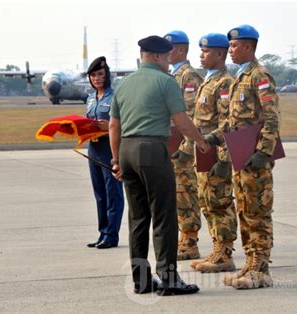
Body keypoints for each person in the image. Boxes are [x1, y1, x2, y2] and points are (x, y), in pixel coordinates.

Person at [109, 35, 209, 296]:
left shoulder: (123, 84)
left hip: (127, 151)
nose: (168, 62)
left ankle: (141, 280)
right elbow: (182, 120)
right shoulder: (166, 82)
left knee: (138, 218)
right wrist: (200, 141)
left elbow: (113, 126)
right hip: (152, 150)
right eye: (166, 57)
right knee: (164, 216)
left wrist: (116, 160)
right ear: (155, 56)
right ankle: (169, 278)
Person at [221, 25, 279, 289]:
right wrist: (212, 138)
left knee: (258, 211)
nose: (230, 51)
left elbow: (271, 117)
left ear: (248, 47)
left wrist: (264, 152)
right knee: (244, 210)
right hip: (240, 156)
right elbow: (234, 120)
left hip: (255, 158)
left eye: (234, 46)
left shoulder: (259, 76)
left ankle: (261, 269)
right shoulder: (239, 77)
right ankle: (250, 263)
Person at [189, 33, 237, 273]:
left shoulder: (225, 83)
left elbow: (228, 122)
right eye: (201, 50)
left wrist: (224, 158)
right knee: (207, 202)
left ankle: (226, 253)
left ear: (220, 54)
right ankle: (217, 248)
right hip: (203, 151)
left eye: (206, 51)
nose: (201, 54)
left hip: (216, 151)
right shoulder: (208, 81)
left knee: (220, 202)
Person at [164, 30, 204, 260]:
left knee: (186, 193)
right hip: (171, 145)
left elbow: (192, 116)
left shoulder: (189, 77)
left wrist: (185, 149)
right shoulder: (170, 75)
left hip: (183, 148)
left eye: (168, 49)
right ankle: (183, 237)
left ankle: (190, 241)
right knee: (177, 194)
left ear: (180, 50)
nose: (164, 54)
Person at [85, 56, 124, 249]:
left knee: (113, 194)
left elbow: (123, 124)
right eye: (93, 75)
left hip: (110, 150)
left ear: (107, 75)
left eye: (100, 74)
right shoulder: (91, 98)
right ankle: (102, 232)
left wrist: (106, 125)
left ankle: (111, 235)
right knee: (100, 194)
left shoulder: (115, 96)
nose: (97, 78)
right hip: (93, 150)